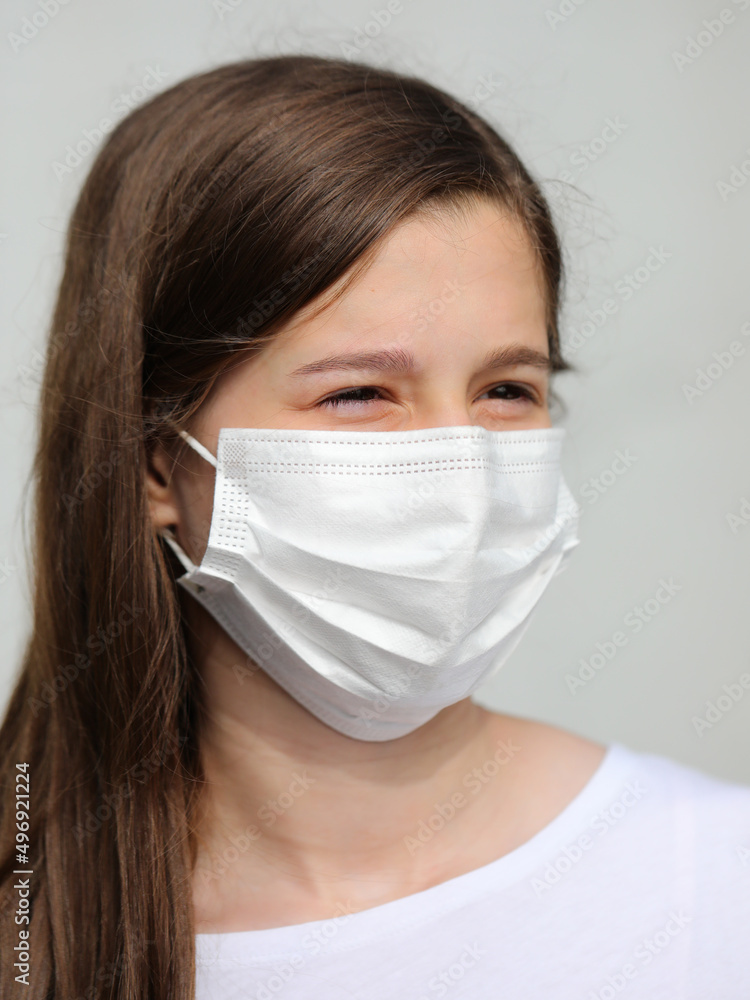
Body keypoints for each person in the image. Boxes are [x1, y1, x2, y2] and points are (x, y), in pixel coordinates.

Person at [0, 53, 748, 1000]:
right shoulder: (37, 936)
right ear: (158, 463)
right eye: (359, 393)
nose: (461, 472)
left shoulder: (717, 879)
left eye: (507, 389)